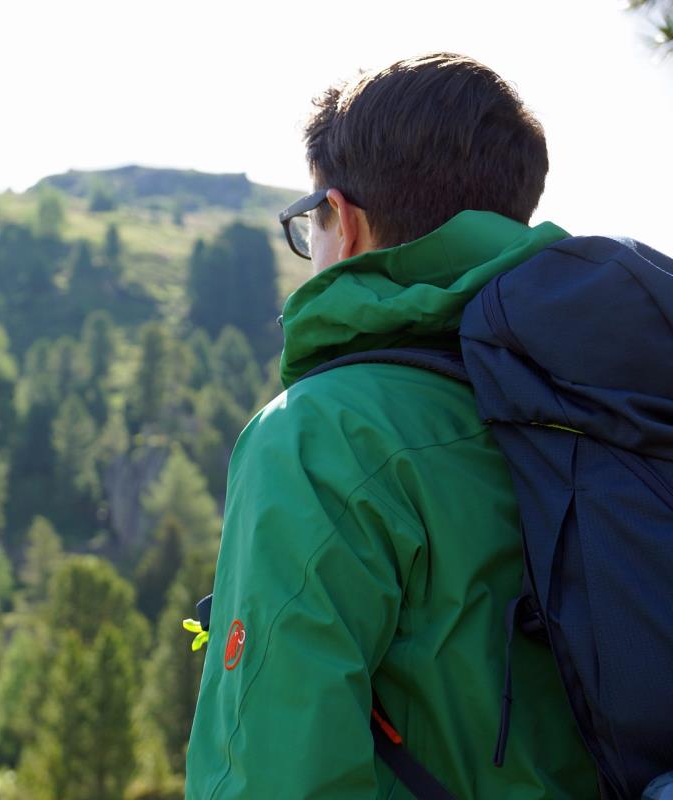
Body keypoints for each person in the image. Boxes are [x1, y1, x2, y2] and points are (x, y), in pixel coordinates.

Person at [185, 53, 598, 798]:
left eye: (308, 220)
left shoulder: (321, 437)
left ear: (343, 220)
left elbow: (276, 775)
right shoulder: (605, 398)